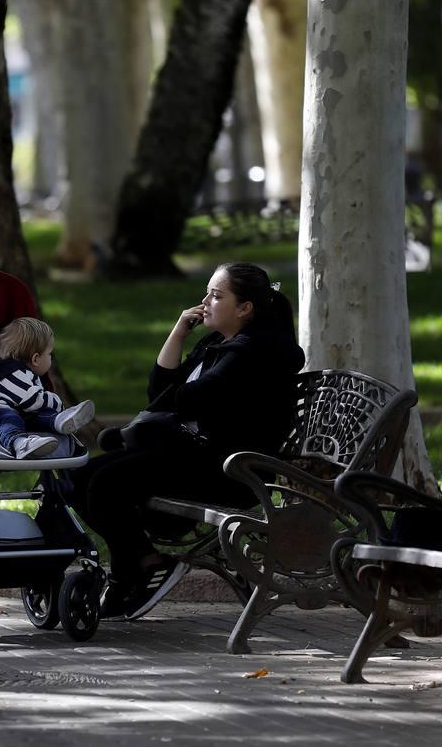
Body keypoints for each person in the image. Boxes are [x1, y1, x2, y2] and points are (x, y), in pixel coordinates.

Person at [70, 263, 305, 621]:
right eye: (207, 293)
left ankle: (137, 569)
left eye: (216, 295)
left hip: (229, 469)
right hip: (195, 455)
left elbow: (188, 399)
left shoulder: (255, 351)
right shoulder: (218, 343)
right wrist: (179, 333)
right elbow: (161, 391)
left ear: (245, 308)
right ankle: (142, 563)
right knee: (79, 478)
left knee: (104, 483)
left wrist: (174, 398)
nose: (205, 302)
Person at [0, 318, 96, 459]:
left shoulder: (25, 374)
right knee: (8, 417)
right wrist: (57, 402)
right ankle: (20, 444)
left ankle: (57, 421)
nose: (50, 359)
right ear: (36, 359)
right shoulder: (13, 372)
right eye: (49, 354)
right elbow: (34, 400)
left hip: (11, 414)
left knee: (30, 416)